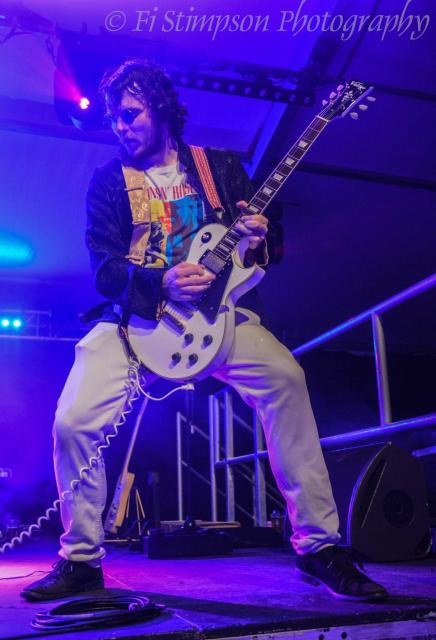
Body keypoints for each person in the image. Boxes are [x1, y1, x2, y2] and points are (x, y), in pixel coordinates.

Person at [21, 59, 387, 603]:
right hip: (134, 322)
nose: (119, 126)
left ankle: (319, 547)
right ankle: (80, 559)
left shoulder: (219, 167)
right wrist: (161, 281)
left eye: (129, 114)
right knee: (73, 422)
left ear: (160, 108)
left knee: (286, 379)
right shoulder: (109, 181)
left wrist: (258, 237)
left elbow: (259, 252)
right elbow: (104, 270)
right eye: (113, 118)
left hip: (221, 318)